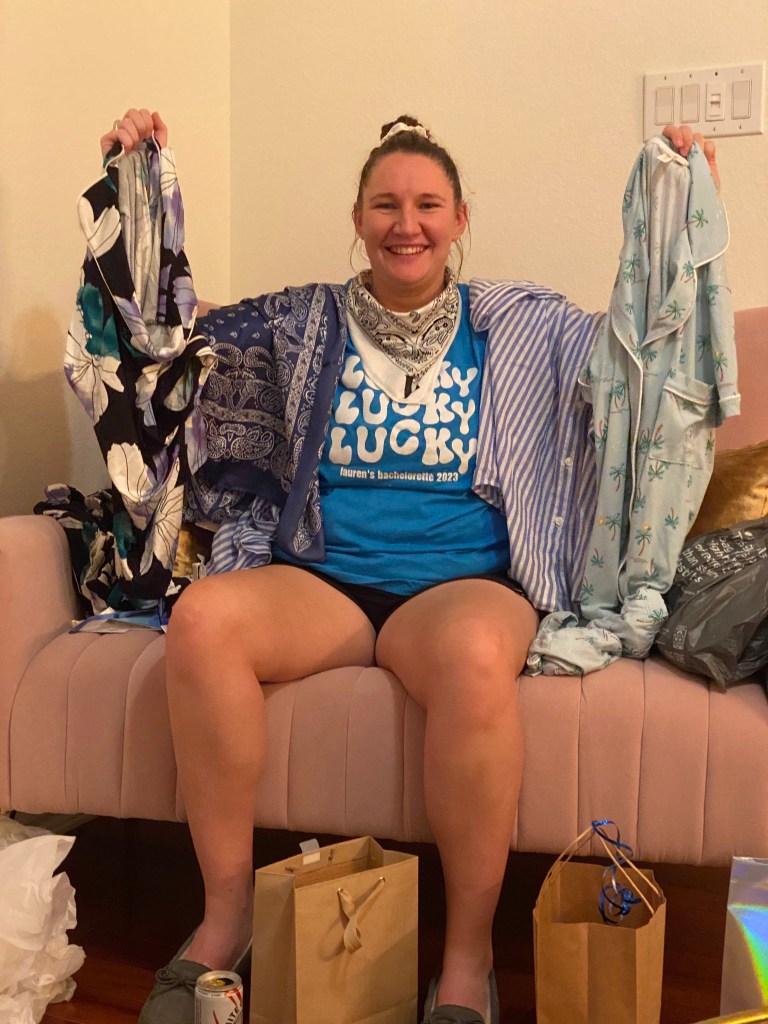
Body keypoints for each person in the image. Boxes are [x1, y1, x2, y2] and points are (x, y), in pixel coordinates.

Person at [97, 110, 719, 1024]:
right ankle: (226, 918)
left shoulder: (518, 326)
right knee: (203, 620)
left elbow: (635, 358)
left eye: (428, 204)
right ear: (358, 218)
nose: (406, 223)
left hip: (463, 585)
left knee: (474, 657)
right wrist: (135, 191)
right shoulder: (299, 321)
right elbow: (166, 350)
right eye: (385, 204)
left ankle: (467, 957)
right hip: (324, 581)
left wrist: (679, 207)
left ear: (460, 219)